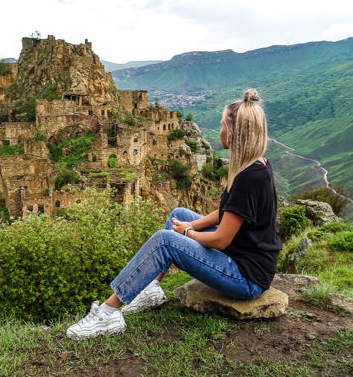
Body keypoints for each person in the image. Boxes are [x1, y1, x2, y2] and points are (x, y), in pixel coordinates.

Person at [66, 88, 281, 340]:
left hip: (245, 277)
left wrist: (188, 232)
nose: (220, 130)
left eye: (223, 125)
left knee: (164, 240)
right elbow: (226, 212)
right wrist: (190, 225)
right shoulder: (254, 164)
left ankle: (108, 313)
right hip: (241, 255)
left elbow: (221, 239)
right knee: (179, 213)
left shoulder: (249, 177)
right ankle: (152, 289)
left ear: (235, 133)